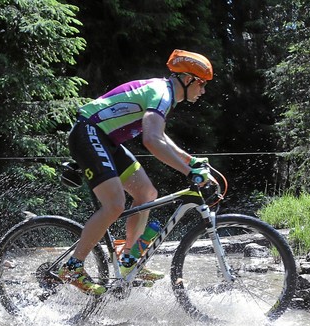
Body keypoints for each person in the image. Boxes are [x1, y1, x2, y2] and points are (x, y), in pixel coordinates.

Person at [57, 49, 213, 295]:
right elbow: (151, 140)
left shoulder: (165, 94)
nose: (203, 91)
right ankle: (72, 267)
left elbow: (160, 137)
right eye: (202, 84)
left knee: (146, 192)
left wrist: (191, 161)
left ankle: (128, 260)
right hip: (89, 133)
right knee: (115, 204)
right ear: (188, 79)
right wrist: (187, 171)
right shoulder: (162, 93)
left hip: (106, 140)